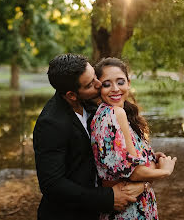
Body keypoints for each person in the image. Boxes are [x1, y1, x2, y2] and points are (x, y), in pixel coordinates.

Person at [33, 54, 145, 220]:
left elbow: (111, 152)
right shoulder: (51, 124)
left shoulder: (93, 105)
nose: (99, 84)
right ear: (72, 95)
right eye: (91, 84)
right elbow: (52, 185)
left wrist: (146, 161)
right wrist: (107, 198)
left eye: (94, 76)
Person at [91, 57, 177, 220]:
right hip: (128, 211)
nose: (115, 89)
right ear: (99, 88)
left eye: (120, 82)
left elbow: (127, 164)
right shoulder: (115, 114)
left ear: (129, 83)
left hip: (134, 206)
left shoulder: (110, 113)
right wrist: (164, 171)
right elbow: (134, 172)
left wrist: (150, 158)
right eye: (107, 84)